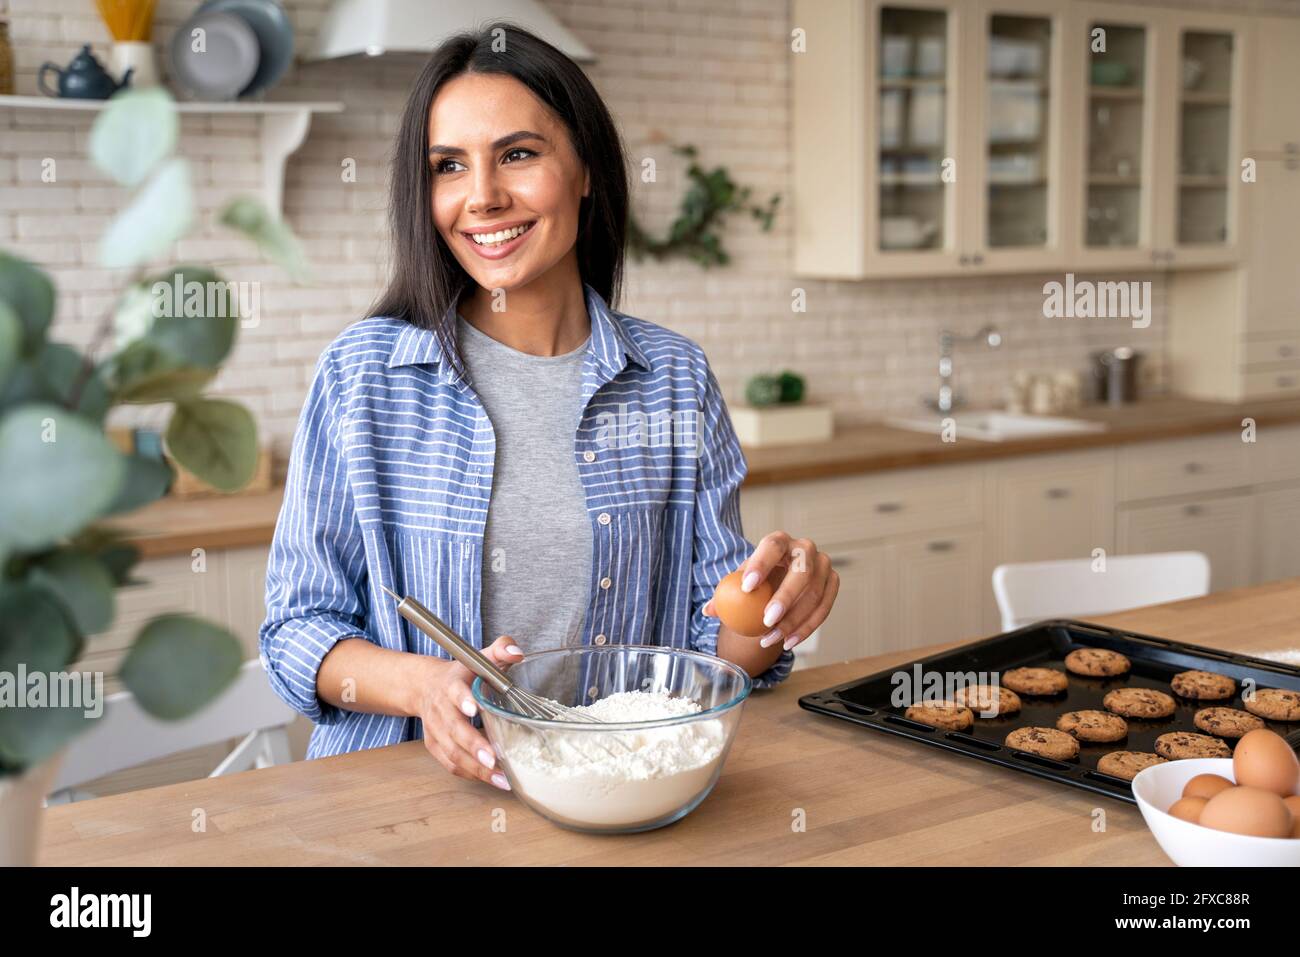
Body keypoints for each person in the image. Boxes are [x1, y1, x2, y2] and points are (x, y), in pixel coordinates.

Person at [259, 23, 839, 791]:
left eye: (519, 154)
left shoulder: (672, 377)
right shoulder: (364, 376)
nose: (483, 196)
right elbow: (298, 631)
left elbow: (717, 656)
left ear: (586, 170)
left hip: (618, 800)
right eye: (448, 166)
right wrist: (424, 685)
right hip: (395, 804)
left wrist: (776, 605)